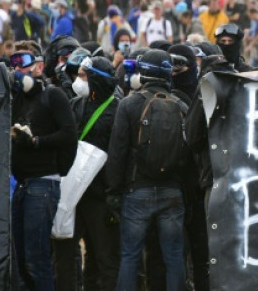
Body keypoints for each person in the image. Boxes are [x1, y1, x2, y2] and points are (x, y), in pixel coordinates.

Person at [106, 49, 187, 291]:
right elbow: (189, 154)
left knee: (130, 256)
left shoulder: (128, 105)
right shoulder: (181, 106)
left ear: (143, 74)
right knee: (174, 258)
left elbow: (117, 152)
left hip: (136, 192)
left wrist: (113, 191)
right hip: (172, 192)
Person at [9, 41, 77, 291]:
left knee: (37, 258)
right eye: (14, 64)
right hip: (23, 185)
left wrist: (36, 141)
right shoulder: (17, 99)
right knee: (21, 259)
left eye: (23, 64)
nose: (18, 70)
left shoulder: (53, 95)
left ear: (38, 67)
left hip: (43, 183)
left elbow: (69, 134)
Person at [70, 55, 121, 290]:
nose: (77, 81)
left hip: (100, 195)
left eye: (83, 76)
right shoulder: (76, 104)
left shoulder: (117, 109)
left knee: (103, 256)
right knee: (70, 253)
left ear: (96, 81)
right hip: (74, 192)